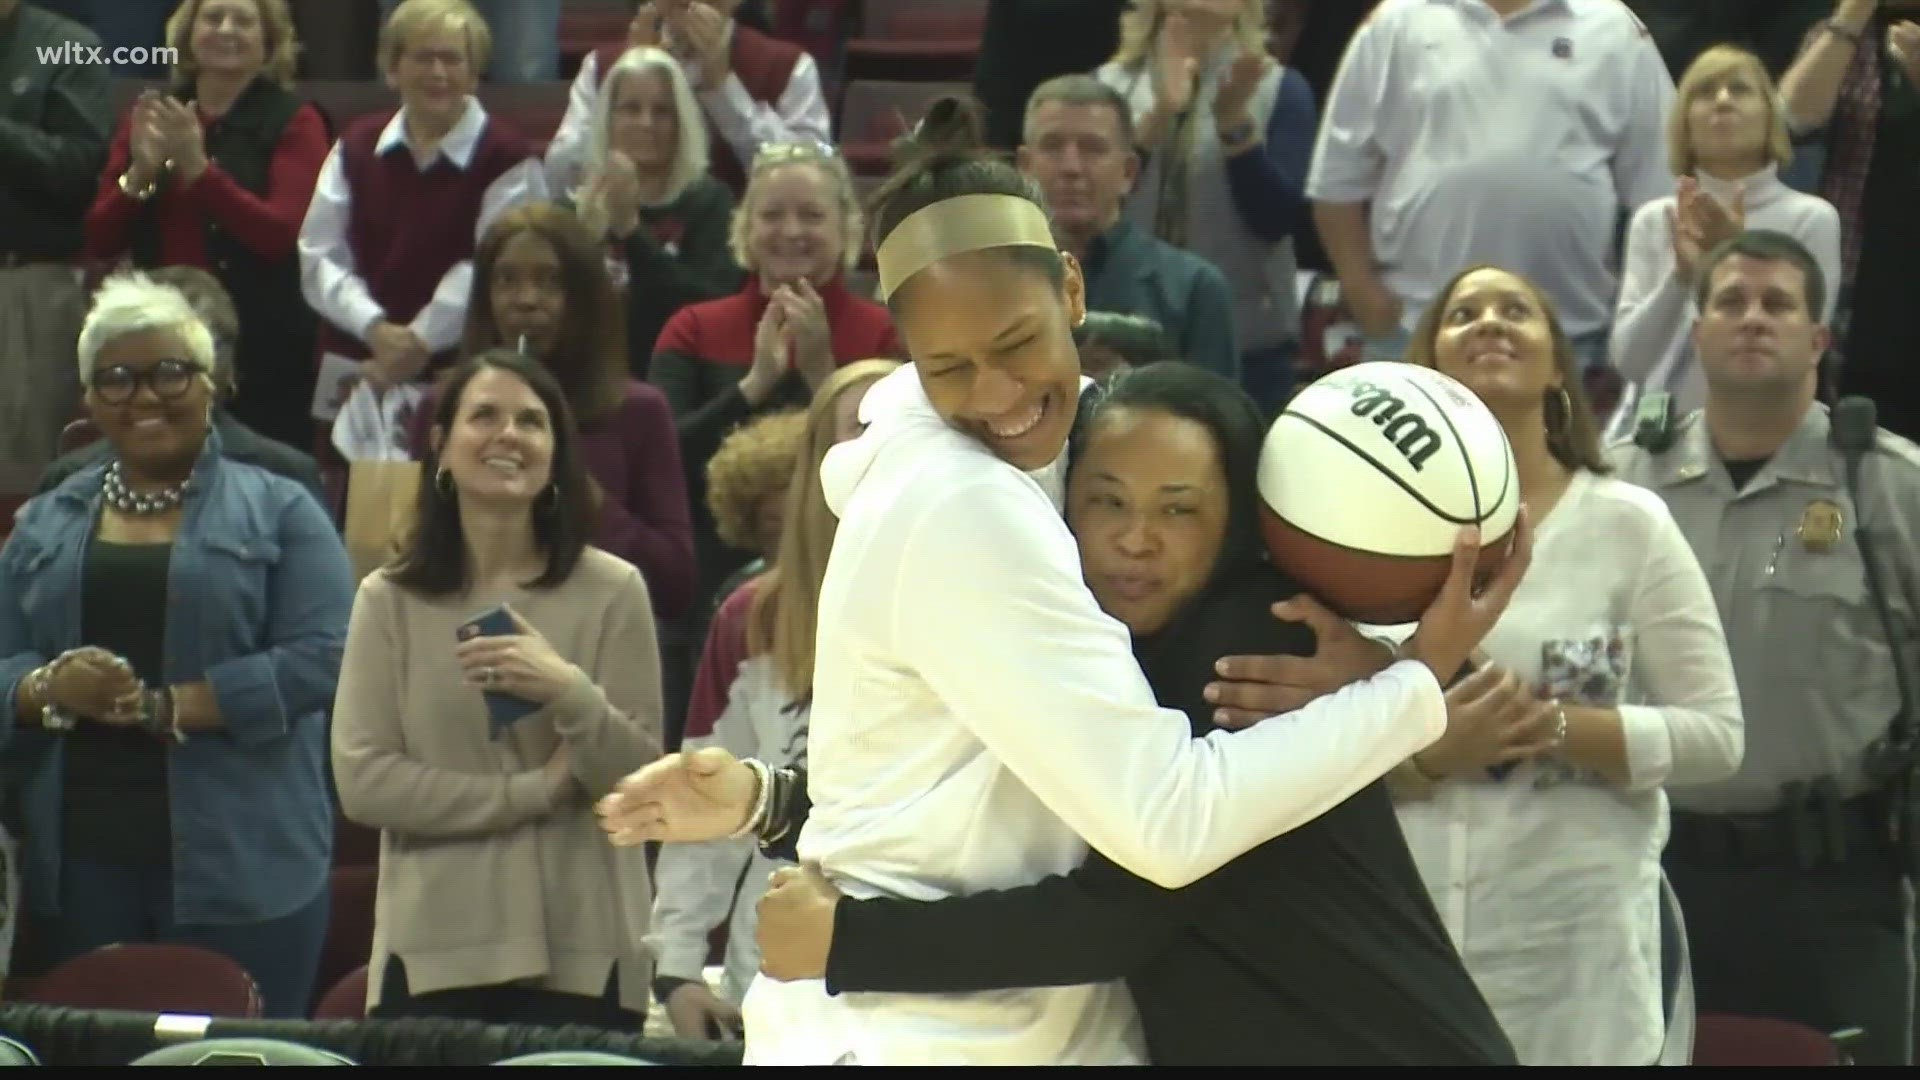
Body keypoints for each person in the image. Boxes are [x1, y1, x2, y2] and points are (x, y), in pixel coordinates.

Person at [598, 96, 1532, 1065]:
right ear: (908, 363)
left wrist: (778, 802)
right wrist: (1412, 686)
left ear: (1073, 293)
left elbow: (986, 777)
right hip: (920, 1039)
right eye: (950, 366)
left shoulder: (1104, 472)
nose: (997, 395)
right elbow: (1160, 833)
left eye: (1015, 347)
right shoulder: (967, 506)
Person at [744, 361, 1519, 1066]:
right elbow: (1016, 812)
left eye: (1178, 512)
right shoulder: (1102, 650)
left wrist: (850, 943)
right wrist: (775, 801)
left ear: (1236, 528)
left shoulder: (1243, 643)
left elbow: (1116, 918)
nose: (1135, 539)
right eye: (1106, 501)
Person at [1390, 264, 1743, 1066]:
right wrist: (1426, 755)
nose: (1488, 322)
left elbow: (1717, 736)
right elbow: (1322, 744)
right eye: (1463, 313)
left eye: (1516, 308)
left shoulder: (1629, 523)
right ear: (1428, 366)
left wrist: (1548, 727)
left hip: (1577, 959)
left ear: (1558, 369)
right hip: (1409, 945)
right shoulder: (1365, 534)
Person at [0, 272, 353, 1019]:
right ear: (90, 401)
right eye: (117, 379)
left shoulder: (283, 501)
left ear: (211, 383)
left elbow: (327, 653)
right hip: (84, 865)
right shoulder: (45, 519)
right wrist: (46, 689)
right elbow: (6, 660)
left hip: (248, 863)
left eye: (169, 371)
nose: (145, 395)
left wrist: (172, 707)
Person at [1613, 229, 1920, 1065]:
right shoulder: (1623, 488)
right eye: (1731, 302)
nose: (1754, 319)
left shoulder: (1889, 485)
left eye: (1779, 304)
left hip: (1831, 880)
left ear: (1818, 340)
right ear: (1698, 329)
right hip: (1654, 873)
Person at [331, 349, 665, 1026]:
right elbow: (365, 781)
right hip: (433, 955)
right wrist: (531, 793)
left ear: (556, 457)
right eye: (484, 415)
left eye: (532, 422)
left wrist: (569, 691)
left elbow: (643, 783)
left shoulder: (615, 591)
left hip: (587, 954)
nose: (509, 434)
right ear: (441, 448)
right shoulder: (387, 600)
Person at [649, 360, 895, 1040]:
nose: (885, 444)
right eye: (862, 427)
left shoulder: (971, 598)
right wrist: (674, 965)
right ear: (818, 461)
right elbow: (707, 784)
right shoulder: (752, 615)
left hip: (919, 970)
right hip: (775, 979)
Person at [410, 202, 698, 621]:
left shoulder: (638, 411)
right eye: (507, 281)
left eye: (550, 283)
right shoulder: (442, 407)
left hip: (597, 640)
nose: (527, 300)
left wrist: (579, 491)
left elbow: (676, 582)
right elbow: (418, 549)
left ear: (584, 297)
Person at [81, 0, 330, 451]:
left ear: (268, 41)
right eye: (213, 18)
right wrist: (141, 173)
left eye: (243, 21)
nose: (226, 30)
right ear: (189, 33)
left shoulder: (296, 120)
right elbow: (100, 237)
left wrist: (200, 172)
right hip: (158, 340)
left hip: (261, 349)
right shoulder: (153, 113)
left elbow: (281, 237)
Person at [1608, 43, 1841, 436]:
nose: (1722, 100)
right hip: (1662, 438)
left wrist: (1730, 255)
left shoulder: (1811, 218)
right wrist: (1681, 278)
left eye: (1739, 89)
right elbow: (1632, 362)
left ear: (1770, 116)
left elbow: (1804, 349)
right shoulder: (1654, 220)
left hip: (1774, 435)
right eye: (1704, 91)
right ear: (1684, 123)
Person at [36, 265, 323, 506]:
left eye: (171, 372)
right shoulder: (64, 481)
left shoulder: (286, 476)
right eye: (122, 375)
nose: (147, 396)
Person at [570, 44, 743, 379]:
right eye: (631, 109)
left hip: (682, 379)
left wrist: (630, 231)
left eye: (662, 111)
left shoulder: (711, 203)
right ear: (608, 118)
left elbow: (705, 310)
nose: (646, 123)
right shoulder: (575, 211)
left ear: (682, 122)